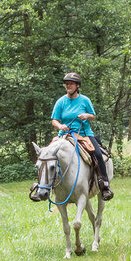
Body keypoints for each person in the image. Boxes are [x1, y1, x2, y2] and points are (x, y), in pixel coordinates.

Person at [51, 72, 112, 200]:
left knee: (98, 154)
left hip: (84, 134)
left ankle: (104, 185)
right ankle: (43, 186)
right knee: (46, 155)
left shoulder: (85, 100)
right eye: (67, 84)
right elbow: (54, 120)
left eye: (71, 84)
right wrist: (60, 126)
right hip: (65, 135)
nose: (68, 86)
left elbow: (93, 116)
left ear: (77, 85)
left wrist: (86, 115)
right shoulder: (61, 101)